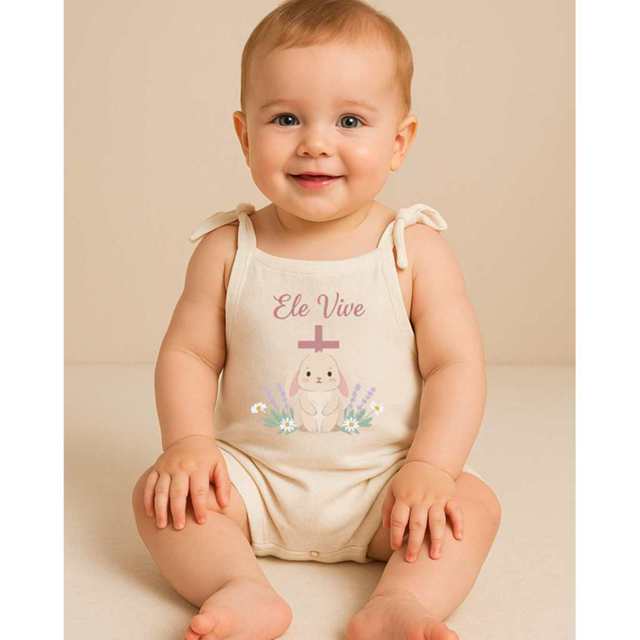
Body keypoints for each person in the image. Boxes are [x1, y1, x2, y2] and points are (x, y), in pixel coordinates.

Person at [131, 1, 502, 638]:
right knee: (159, 497)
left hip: (385, 487)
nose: (315, 143)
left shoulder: (412, 251)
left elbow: (454, 366)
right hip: (252, 481)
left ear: (398, 142)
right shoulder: (228, 249)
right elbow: (190, 355)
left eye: (350, 120)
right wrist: (188, 445)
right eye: (286, 118)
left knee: (474, 505)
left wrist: (431, 468)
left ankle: (401, 602)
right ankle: (239, 585)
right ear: (245, 136)